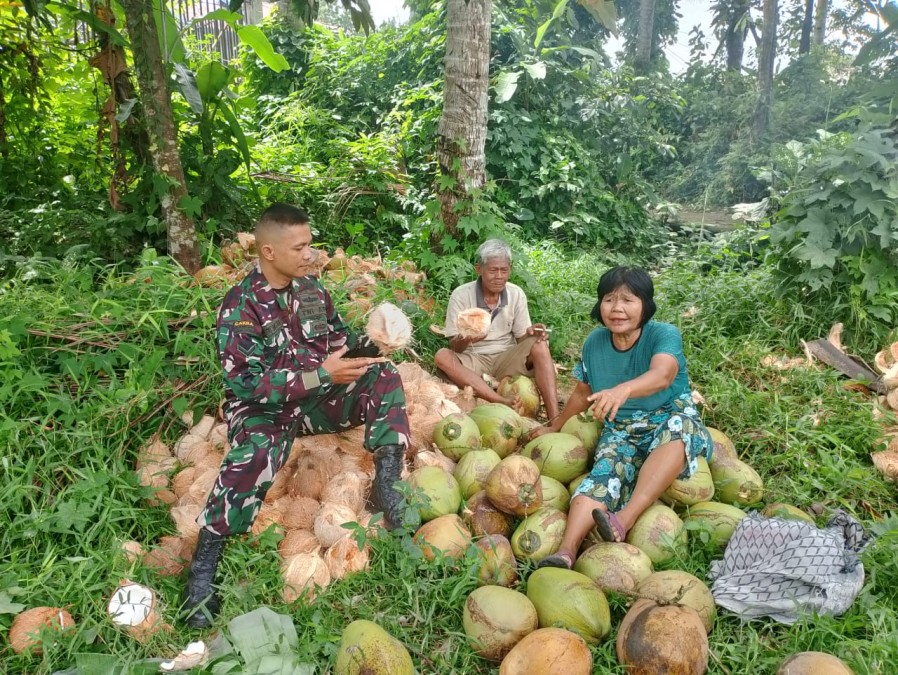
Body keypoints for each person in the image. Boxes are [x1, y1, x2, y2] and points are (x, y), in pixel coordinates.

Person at [184, 204, 411, 628]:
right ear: (268, 251)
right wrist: (319, 374)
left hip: (313, 402)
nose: (310, 255)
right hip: (263, 408)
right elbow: (246, 385)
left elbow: (340, 342)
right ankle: (204, 565)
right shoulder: (240, 306)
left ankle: (386, 483)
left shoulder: (312, 291)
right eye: (300, 247)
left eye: (310, 244)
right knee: (253, 453)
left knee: (384, 378)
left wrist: (378, 339)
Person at [534, 266, 712, 570]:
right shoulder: (594, 343)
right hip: (621, 430)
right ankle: (566, 551)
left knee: (681, 428)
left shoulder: (663, 334)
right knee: (599, 478)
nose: (617, 308)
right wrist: (554, 425)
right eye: (609, 299)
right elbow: (582, 392)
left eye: (628, 300)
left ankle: (623, 520)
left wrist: (622, 390)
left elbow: (663, 375)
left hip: (667, 417)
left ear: (645, 305)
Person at [434, 239, 560, 421]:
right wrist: (469, 338)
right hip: (473, 359)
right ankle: (499, 399)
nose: (499, 276)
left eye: (504, 270)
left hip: (505, 357)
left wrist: (531, 333)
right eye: (493, 270)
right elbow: (455, 347)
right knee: (442, 356)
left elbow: (521, 339)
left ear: (510, 269)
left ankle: (554, 418)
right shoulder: (461, 295)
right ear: (479, 269)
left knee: (540, 344)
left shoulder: (516, 294)